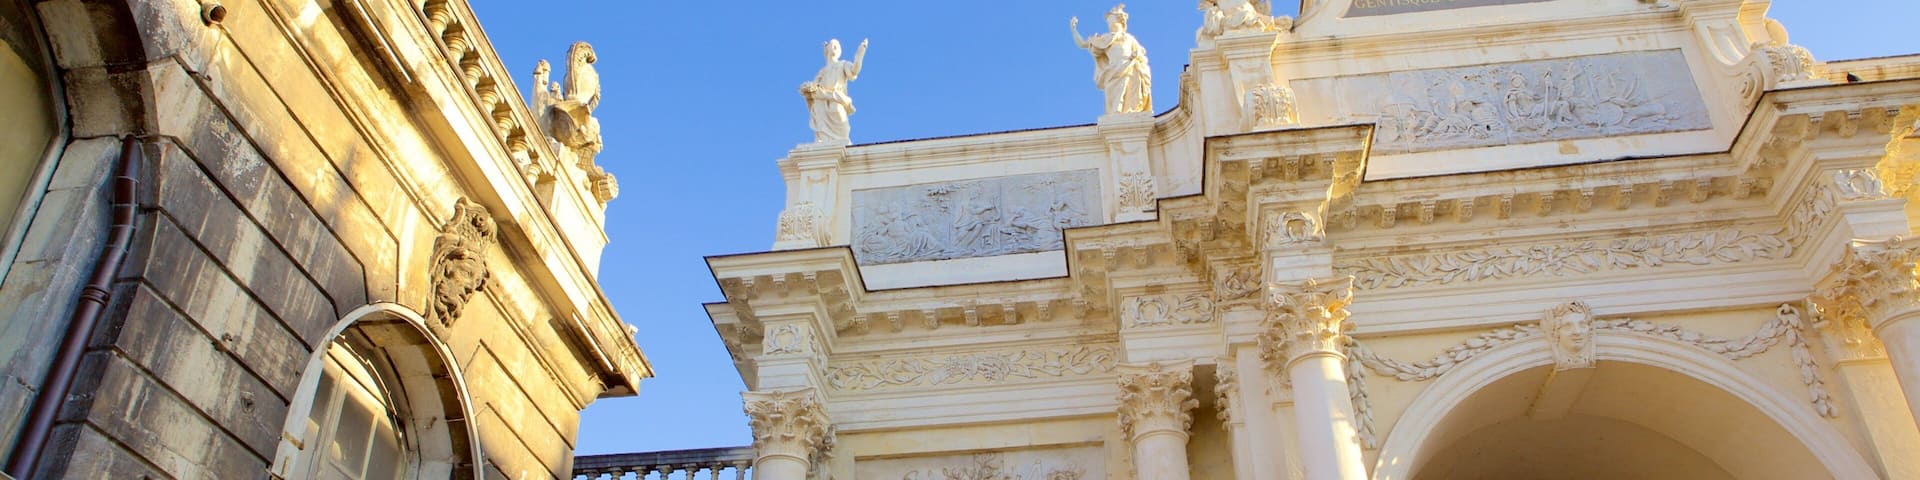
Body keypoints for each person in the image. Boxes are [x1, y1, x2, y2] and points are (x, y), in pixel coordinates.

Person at [1071, 5, 1152, 115]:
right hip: (1113, 71)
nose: (1109, 24)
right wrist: (1074, 30)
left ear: (1119, 21)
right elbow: (1082, 44)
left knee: (1131, 95)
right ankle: (1116, 113)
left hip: (1129, 67)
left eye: (1111, 20)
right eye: (1108, 22)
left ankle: (1130, 111)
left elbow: (1141, 54)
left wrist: (1136, 55)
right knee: (1113, 100)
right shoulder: (1105, 38)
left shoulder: (1129, 38)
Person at [801, 38, 868, 144]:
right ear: (826, 50)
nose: (835, 48)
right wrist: (807, 89)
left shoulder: (843, 64)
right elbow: (813, 89)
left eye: (837, 46)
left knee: (842, 125)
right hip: (821, 104)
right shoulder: (822, 72)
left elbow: (854, 70)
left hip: (837, 100)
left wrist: (860, 53)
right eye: (832, 45)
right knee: (822, 136)